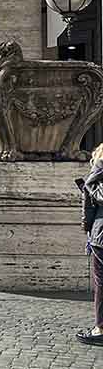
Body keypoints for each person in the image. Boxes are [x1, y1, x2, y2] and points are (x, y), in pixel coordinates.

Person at [78, 144, 103, 346]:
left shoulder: (94, 179)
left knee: (101, 283)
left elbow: (88, 212)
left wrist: (87, 229)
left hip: (101, 236)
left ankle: (100, 328)